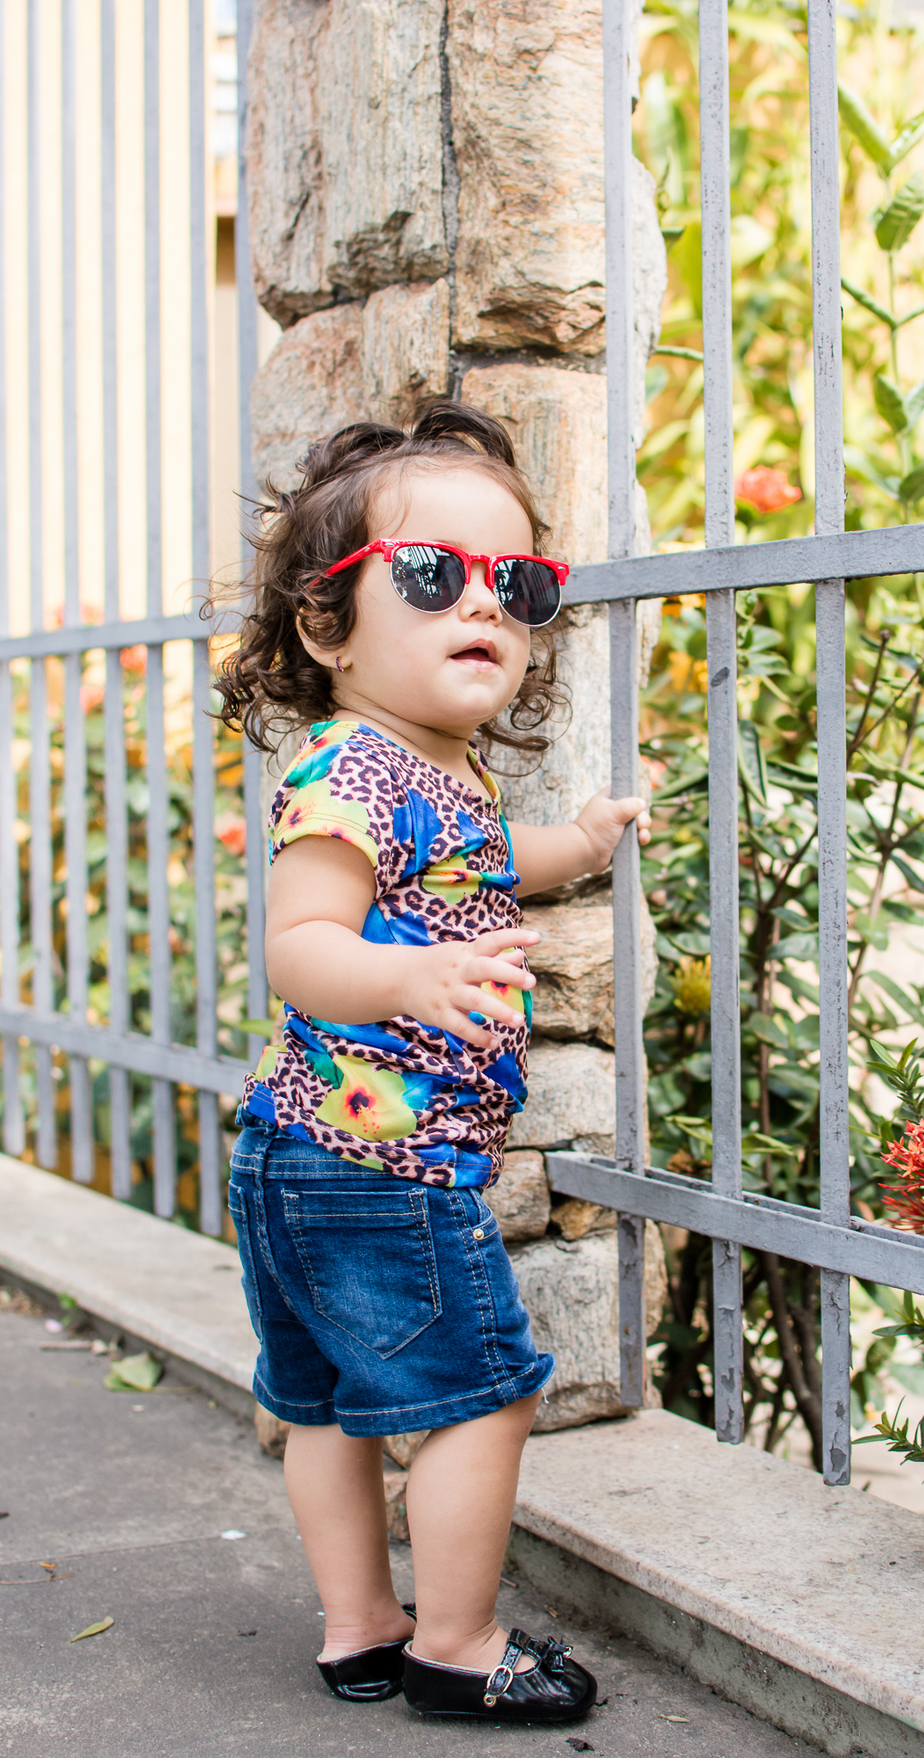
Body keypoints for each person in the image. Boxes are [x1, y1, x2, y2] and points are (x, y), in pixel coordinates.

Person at [215, 401, 649, 1726]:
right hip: (382, 1168)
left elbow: (476, 861)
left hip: (301, 1156)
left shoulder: (427, 772)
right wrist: (404, 976)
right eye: (430, 575)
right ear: (325, 623)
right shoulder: (351, 774)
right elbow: (301, 945)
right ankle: (455, 1647)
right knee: (485, 1397)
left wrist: (573, 842)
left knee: (333, 1406)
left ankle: (362, 1628)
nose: (487, 606)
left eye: (518, 584)